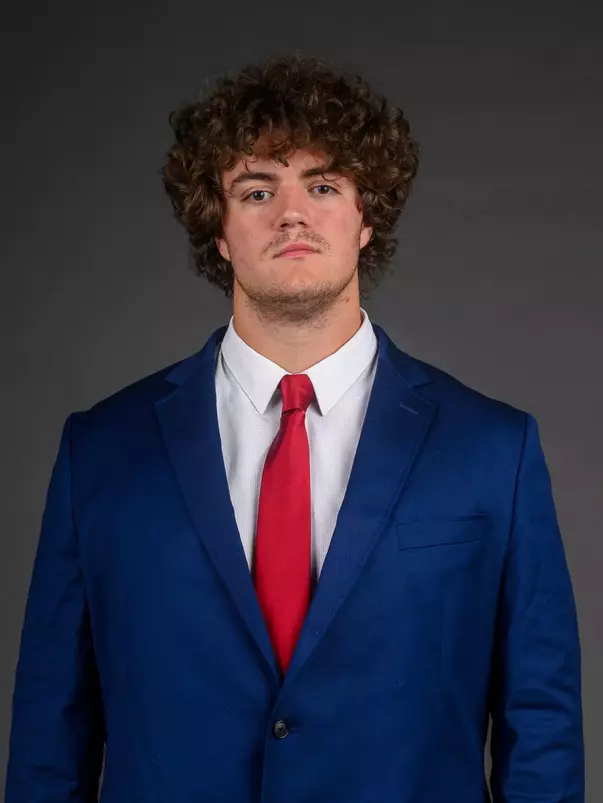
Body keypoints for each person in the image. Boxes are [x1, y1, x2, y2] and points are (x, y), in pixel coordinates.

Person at [5, 53, 584, 803]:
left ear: (366, 216)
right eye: (256, 189)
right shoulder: (101, 450)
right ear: (217, 230)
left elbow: (540, 725)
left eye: (322, 184)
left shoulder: (492, 450)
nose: (291, 214)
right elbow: (51, 734)